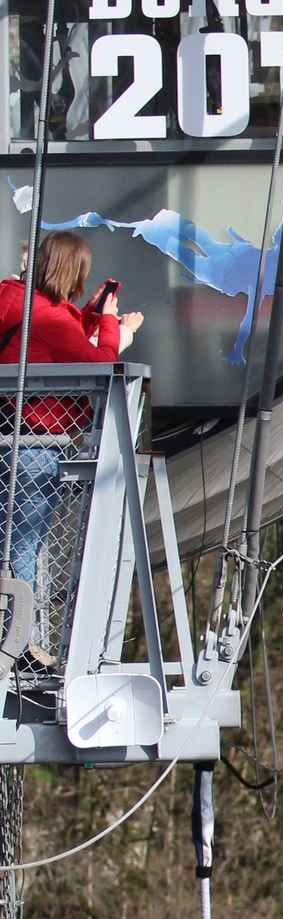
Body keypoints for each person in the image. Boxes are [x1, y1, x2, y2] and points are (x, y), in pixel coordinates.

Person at [0, 231, 140, 663]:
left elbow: (59, 334)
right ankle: (18, 644)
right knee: (23, 543)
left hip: (12, 432)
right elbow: (100, 363)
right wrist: (114, 325)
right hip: (36, 440)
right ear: (71, 272)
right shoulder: (50, 318)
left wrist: (94, 316)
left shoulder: (16, 300)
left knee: (13, 539)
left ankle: (15, 637)